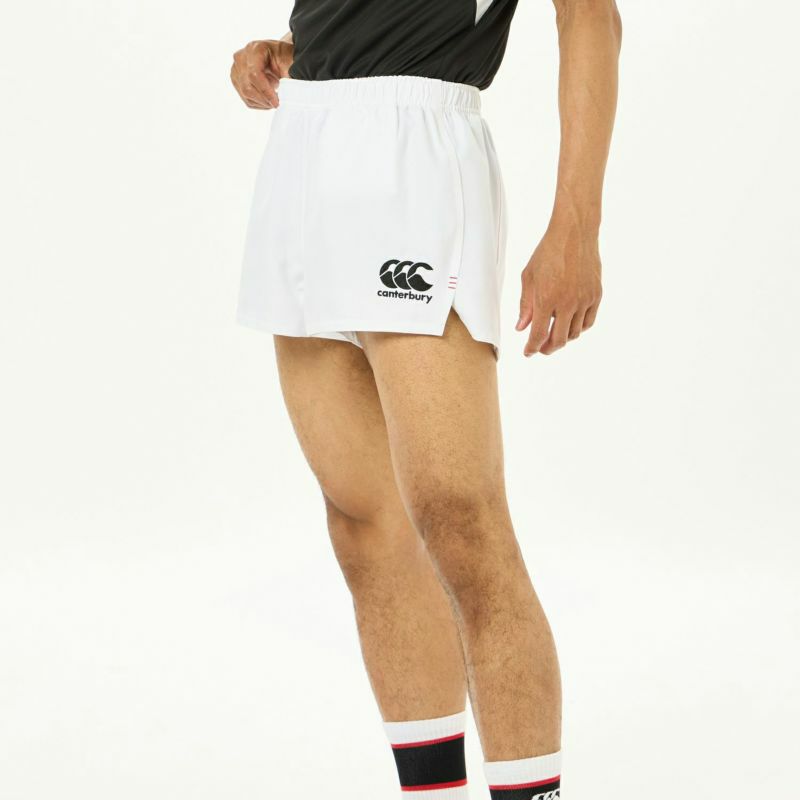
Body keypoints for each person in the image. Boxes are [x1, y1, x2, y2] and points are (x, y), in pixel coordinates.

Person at [230, 1, 621, 797]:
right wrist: (300, 48)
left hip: (415, 148)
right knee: (362, 523)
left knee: (460, 519)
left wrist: (576, 227)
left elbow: (590, 15)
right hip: (303, 146)